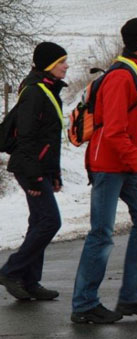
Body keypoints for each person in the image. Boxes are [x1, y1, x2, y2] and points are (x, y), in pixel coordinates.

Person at [71, 18, 137, 324]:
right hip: (108, 166)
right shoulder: (120, 78)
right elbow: (113, 131)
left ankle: (131, 296)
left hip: (127, 164)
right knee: (101, 234)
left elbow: (133, 127)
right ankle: (84, 304)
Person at [0, 42, 68, 301]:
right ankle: (11, 271)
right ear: (49, 65)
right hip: (30, 168)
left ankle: (29, 281)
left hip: (40, 168)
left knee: (39, 221)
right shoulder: (35, 92)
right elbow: (27, 139)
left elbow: (49, 139)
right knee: (50, 221)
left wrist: (54, 173)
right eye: (61, 62)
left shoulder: (48, 89)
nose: (66, 66)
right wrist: (35, 177)